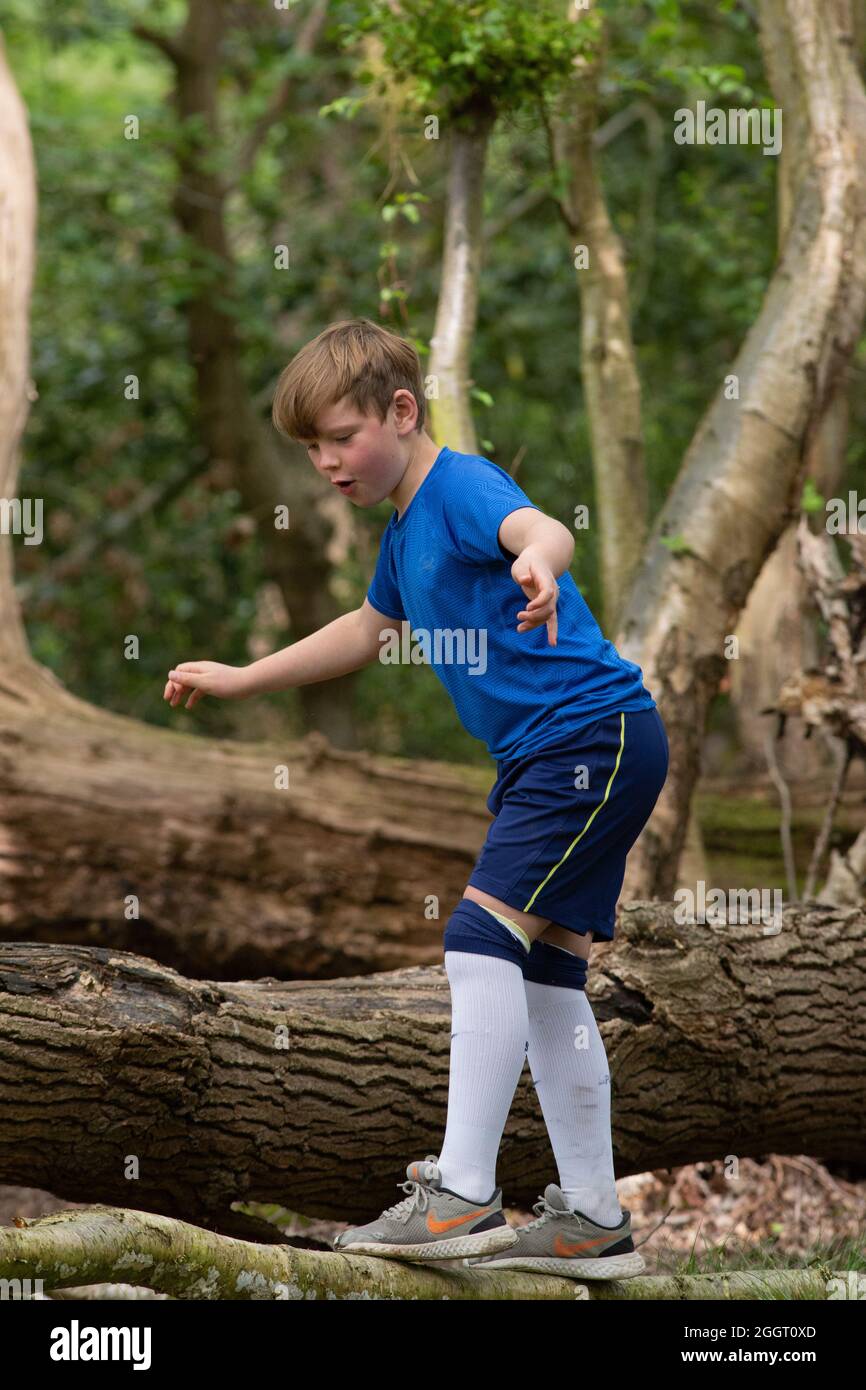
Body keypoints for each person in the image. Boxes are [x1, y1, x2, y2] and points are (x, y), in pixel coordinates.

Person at [164, 317, 669, 1281]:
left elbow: (538, 525)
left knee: (479, 940)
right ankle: (595, 1222)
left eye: (340, 437)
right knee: (547, 974)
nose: (325, 462)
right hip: (565, 753)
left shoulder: (459, 485)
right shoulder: (403, 533)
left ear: (402, 410)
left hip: (586, 737)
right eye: (311, 448)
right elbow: (366, 630)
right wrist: (241, 676)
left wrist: (542, 560)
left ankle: (463, 1192)